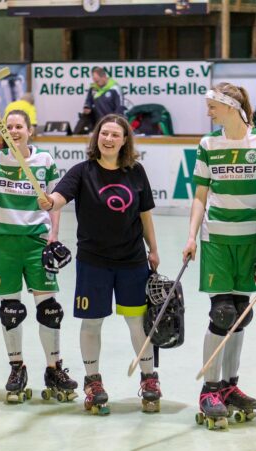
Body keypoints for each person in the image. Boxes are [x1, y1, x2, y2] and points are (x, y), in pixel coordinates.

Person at [37, 114, 160, 415]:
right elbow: (59, 197)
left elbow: (145, 214)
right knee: (92, 323)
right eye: (104, 133)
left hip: (132, 261)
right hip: (93, 262)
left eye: (115, 135)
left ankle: (149, 378)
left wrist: (153, 249)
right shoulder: (83, 171)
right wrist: (50, 202)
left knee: (137, 322)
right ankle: (93, 382)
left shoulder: (136, 172)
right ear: (96, 137)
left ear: (124, 140)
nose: (108, 139)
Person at [181, 82, 256, 429]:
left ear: (231, 107)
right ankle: (209, 390)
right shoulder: (208, 144)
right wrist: (191, 236)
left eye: (213, 106)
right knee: (222, 313)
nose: (208, 112)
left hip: (250, 239)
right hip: (216, 240)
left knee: (240, 315)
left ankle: (229, 386)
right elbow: (200, 195)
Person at [0, 110, 76, 404]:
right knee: (11, 309)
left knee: (50, 309)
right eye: (9, 127)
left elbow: (54, 201)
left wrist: (53, 234)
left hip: (36, 240)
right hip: (4, 241)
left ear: (30, 130)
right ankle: (17, 367)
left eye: (19, 126)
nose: (14, 131)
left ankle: (54, 368)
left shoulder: (44, 160)